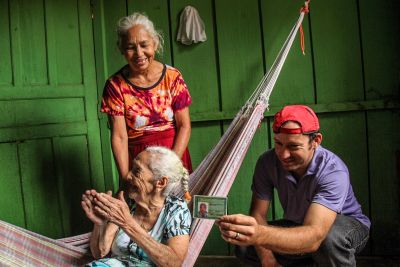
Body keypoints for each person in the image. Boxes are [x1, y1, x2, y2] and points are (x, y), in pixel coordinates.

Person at [217, 105, 370, 267]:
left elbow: (315, 235)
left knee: (328, 240)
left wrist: (259, 234)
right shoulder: (267, 162)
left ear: (316, 141)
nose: (283, 154)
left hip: (345, 227)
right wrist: (268, 260)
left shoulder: (333, 170)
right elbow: (258, 215)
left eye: (293, 146)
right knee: (244, 246)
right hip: (300, 225)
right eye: (278, 143)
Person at [100, 12, 193, 193]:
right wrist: (126, 175)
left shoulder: (172, 77)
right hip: (139, 163)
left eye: (144, 45)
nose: (139, 53)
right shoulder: (115, 86)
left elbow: (184, 126)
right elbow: (119, 137)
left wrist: (171, 164)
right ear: (121, 49)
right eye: (130, 47)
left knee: (178, 214)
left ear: (155, 44)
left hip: (174, 155)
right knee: (142, 215)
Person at [81, 146, 191, 267]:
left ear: (160, 182)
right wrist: (100, 224)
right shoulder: (127, 202)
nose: (128, 176)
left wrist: (127, 223)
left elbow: (173, 263)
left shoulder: (175, 210)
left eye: (137, 170)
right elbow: (99, 252)